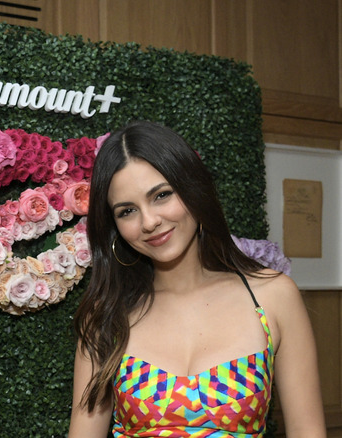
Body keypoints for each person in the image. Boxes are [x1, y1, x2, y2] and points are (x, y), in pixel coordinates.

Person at [68, 121, 326, 437]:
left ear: (193, 191)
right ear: (114, 228)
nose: (149, 222)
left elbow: (306, 430)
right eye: (127, 211)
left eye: (161, 195)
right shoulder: (106, 315)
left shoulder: (273, 296)